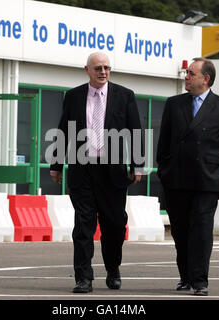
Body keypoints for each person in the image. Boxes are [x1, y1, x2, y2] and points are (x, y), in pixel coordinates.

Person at [50, 51, 144, 293]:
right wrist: (56, 164)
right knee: (83, 227)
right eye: (98, 68)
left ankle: (113, 269)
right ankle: (83, 278)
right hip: (83, 172)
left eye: (106, 68)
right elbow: (63, 131)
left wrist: (138, 165)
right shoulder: (73, 96)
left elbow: (135, 132)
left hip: (112, 173)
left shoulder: (124, 96)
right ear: (87, 70)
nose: (103, 72)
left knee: (114, 226)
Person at [156, 57, 219, 296]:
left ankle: (200, 280)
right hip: (177, 180)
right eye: (186, 73)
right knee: (180, 231)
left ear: (206, 79)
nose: (186, 77)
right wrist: (164, 171)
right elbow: (164, 144)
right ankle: (185, 276)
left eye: (191, 73)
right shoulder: (174, 104)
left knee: (202, 232)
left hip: (207, 180)